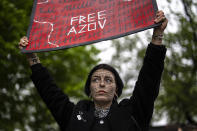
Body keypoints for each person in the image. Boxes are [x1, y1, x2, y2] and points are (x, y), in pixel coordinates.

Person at [19, 10, 168, 131]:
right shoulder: (74, 114)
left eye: (108, 80)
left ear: (116, 90)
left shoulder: (132, 113)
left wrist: (157, 35)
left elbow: (149, 80)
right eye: (96, 80)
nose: (101, 84)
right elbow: (49, 91)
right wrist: (31, 56)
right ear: (89, 89)